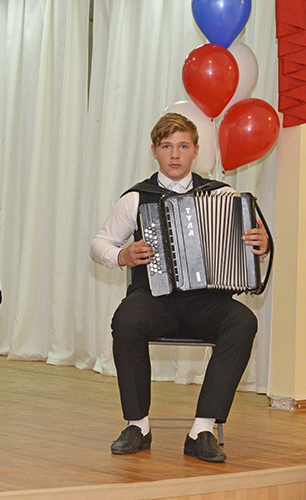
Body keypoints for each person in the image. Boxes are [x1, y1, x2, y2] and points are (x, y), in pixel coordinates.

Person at [90, 112, 270, 463]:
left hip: (208, 302)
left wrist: (260, 247)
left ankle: (202, 430)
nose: (175, 154)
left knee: (243, 321)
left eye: (183, 146)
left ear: (196, 151)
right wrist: (122, 255)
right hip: (154, 299)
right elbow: (99, 244)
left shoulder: (224, 195)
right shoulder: (136, 198)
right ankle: (137, 425)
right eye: (167, 146)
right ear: (154, 151)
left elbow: (251, 249)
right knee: (126, 320)